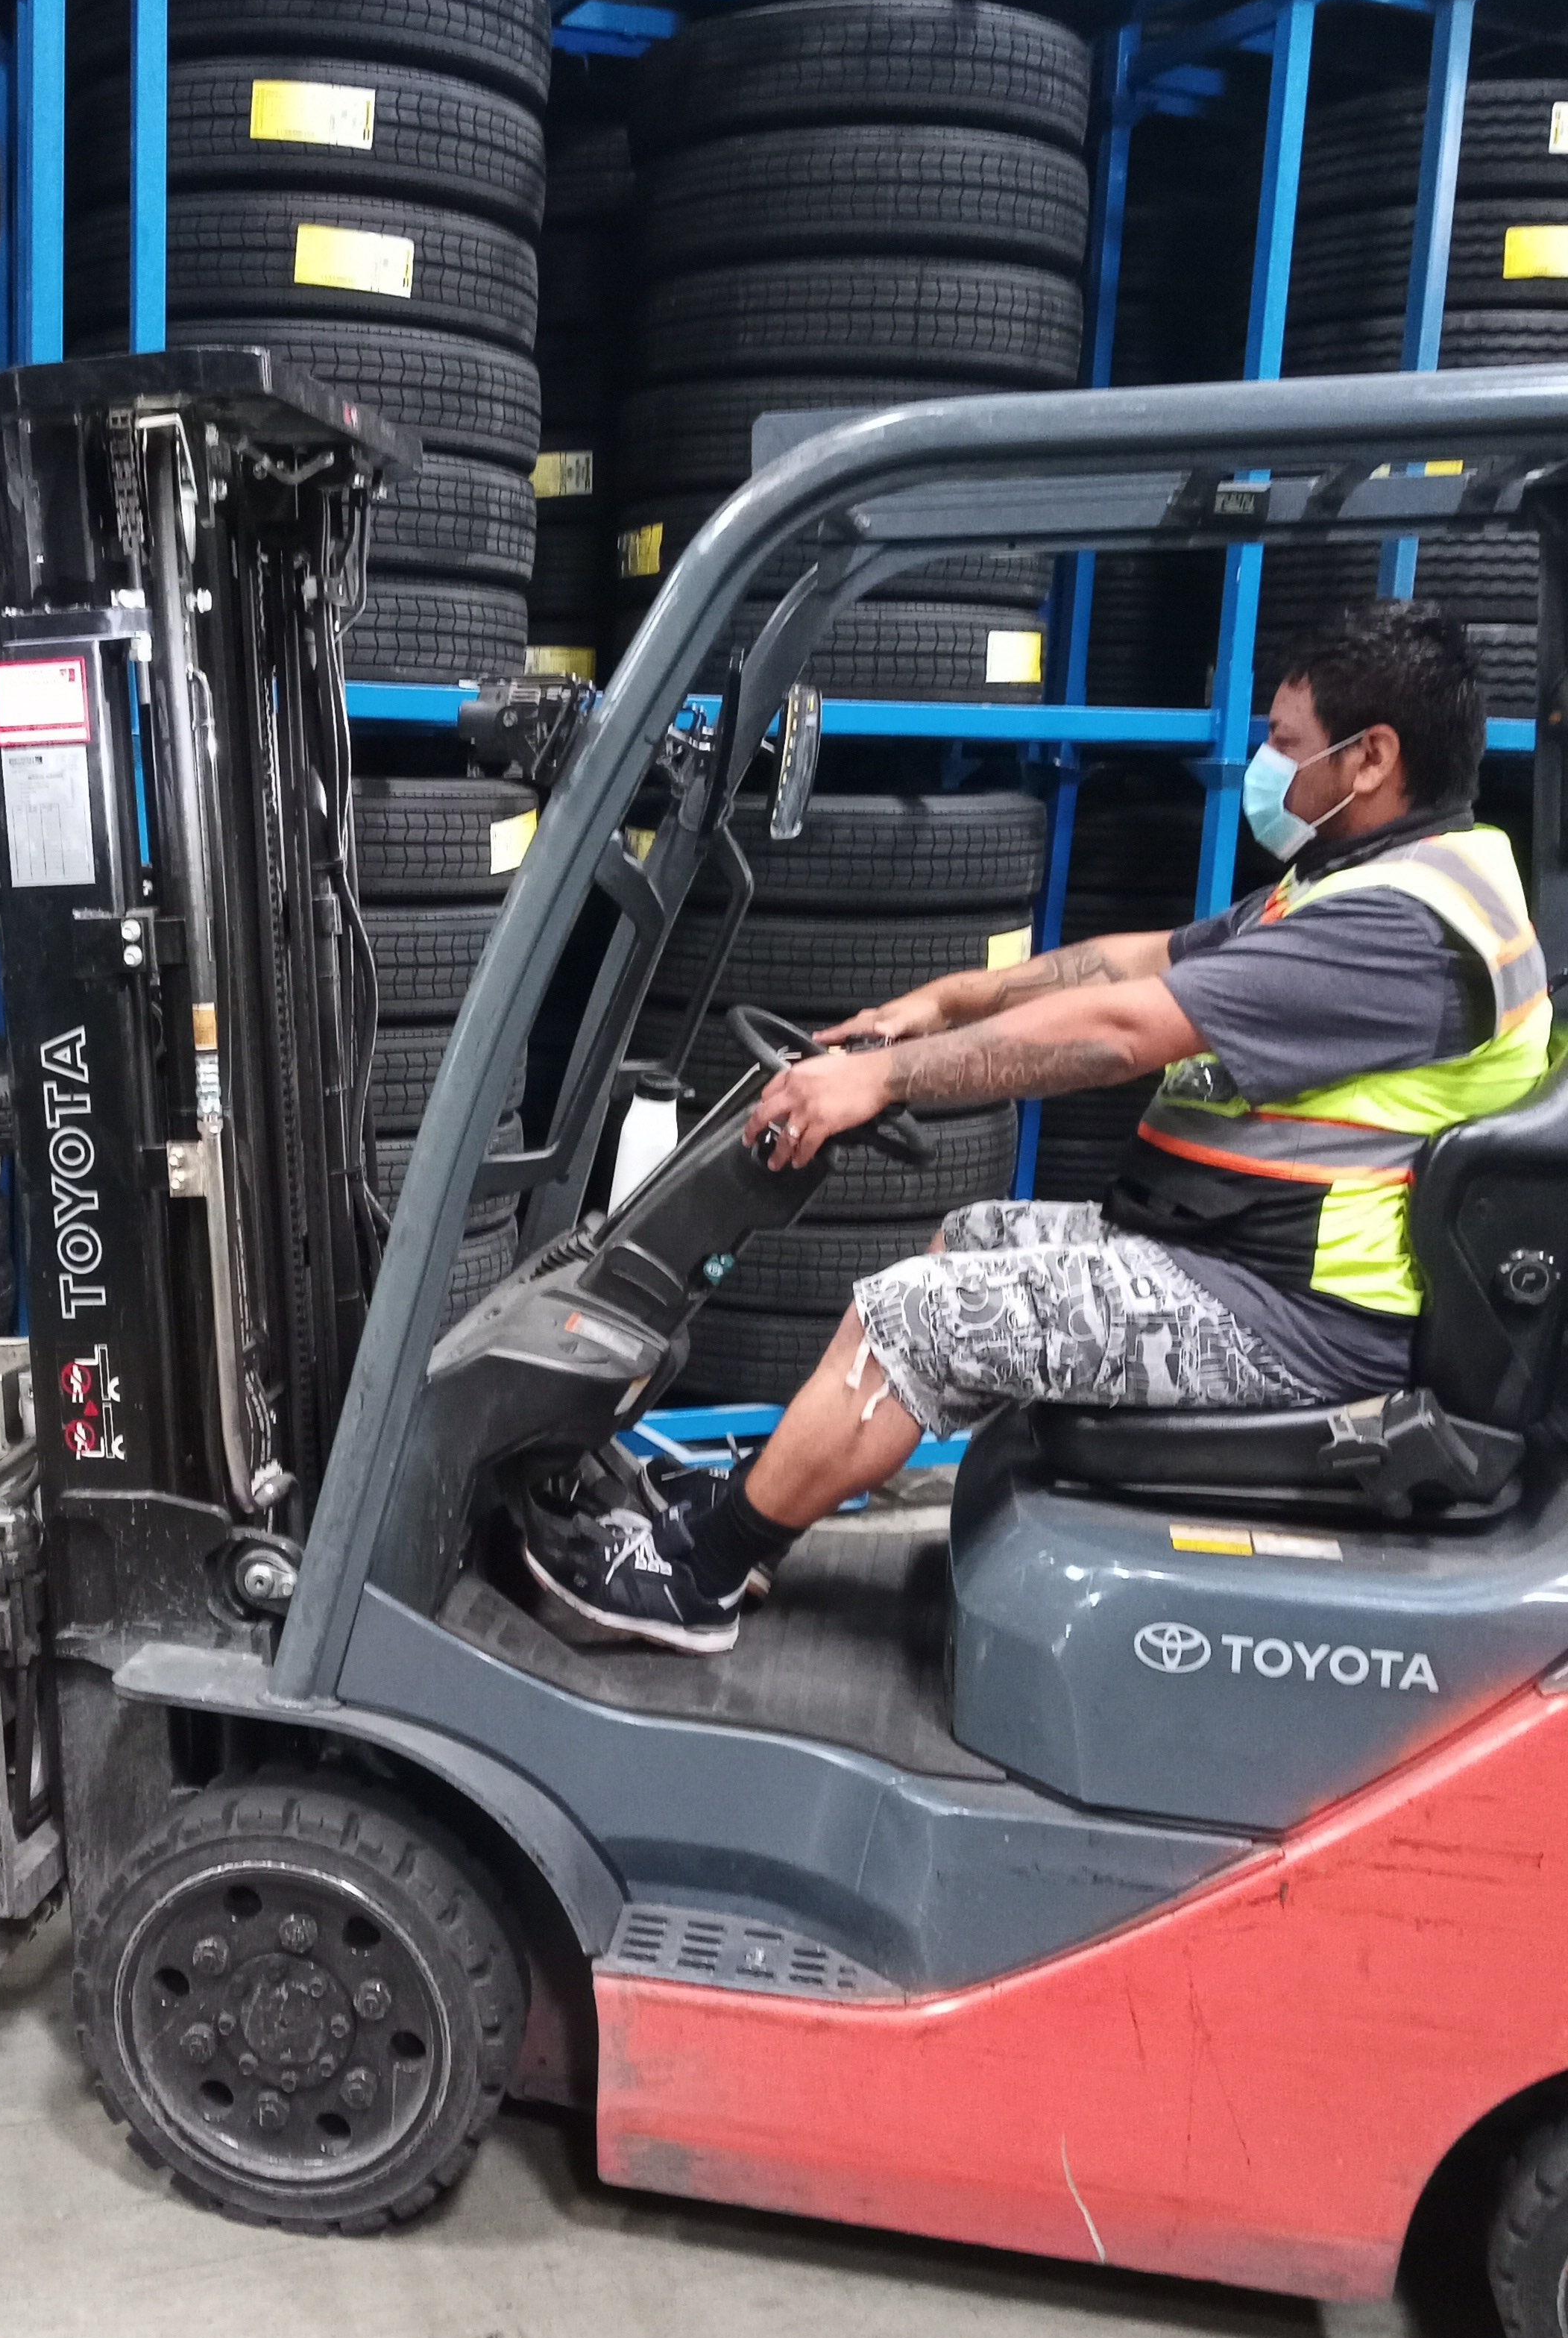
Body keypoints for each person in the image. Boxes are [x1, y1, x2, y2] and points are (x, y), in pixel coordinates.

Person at [526, 599, 1553, 1655]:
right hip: (1244, 1265)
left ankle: (697, 1580)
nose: (1265, 762)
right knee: (967, 1240)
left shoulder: (1401, 928)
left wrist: (885, 1081)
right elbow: (1140, 960)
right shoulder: (1368, 882)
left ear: (1371, 756)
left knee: (920, 1316)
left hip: (1299, 1324)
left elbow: (1121, 1030)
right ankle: (758, 1515)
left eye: (1286, 743)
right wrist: (937, 1005)